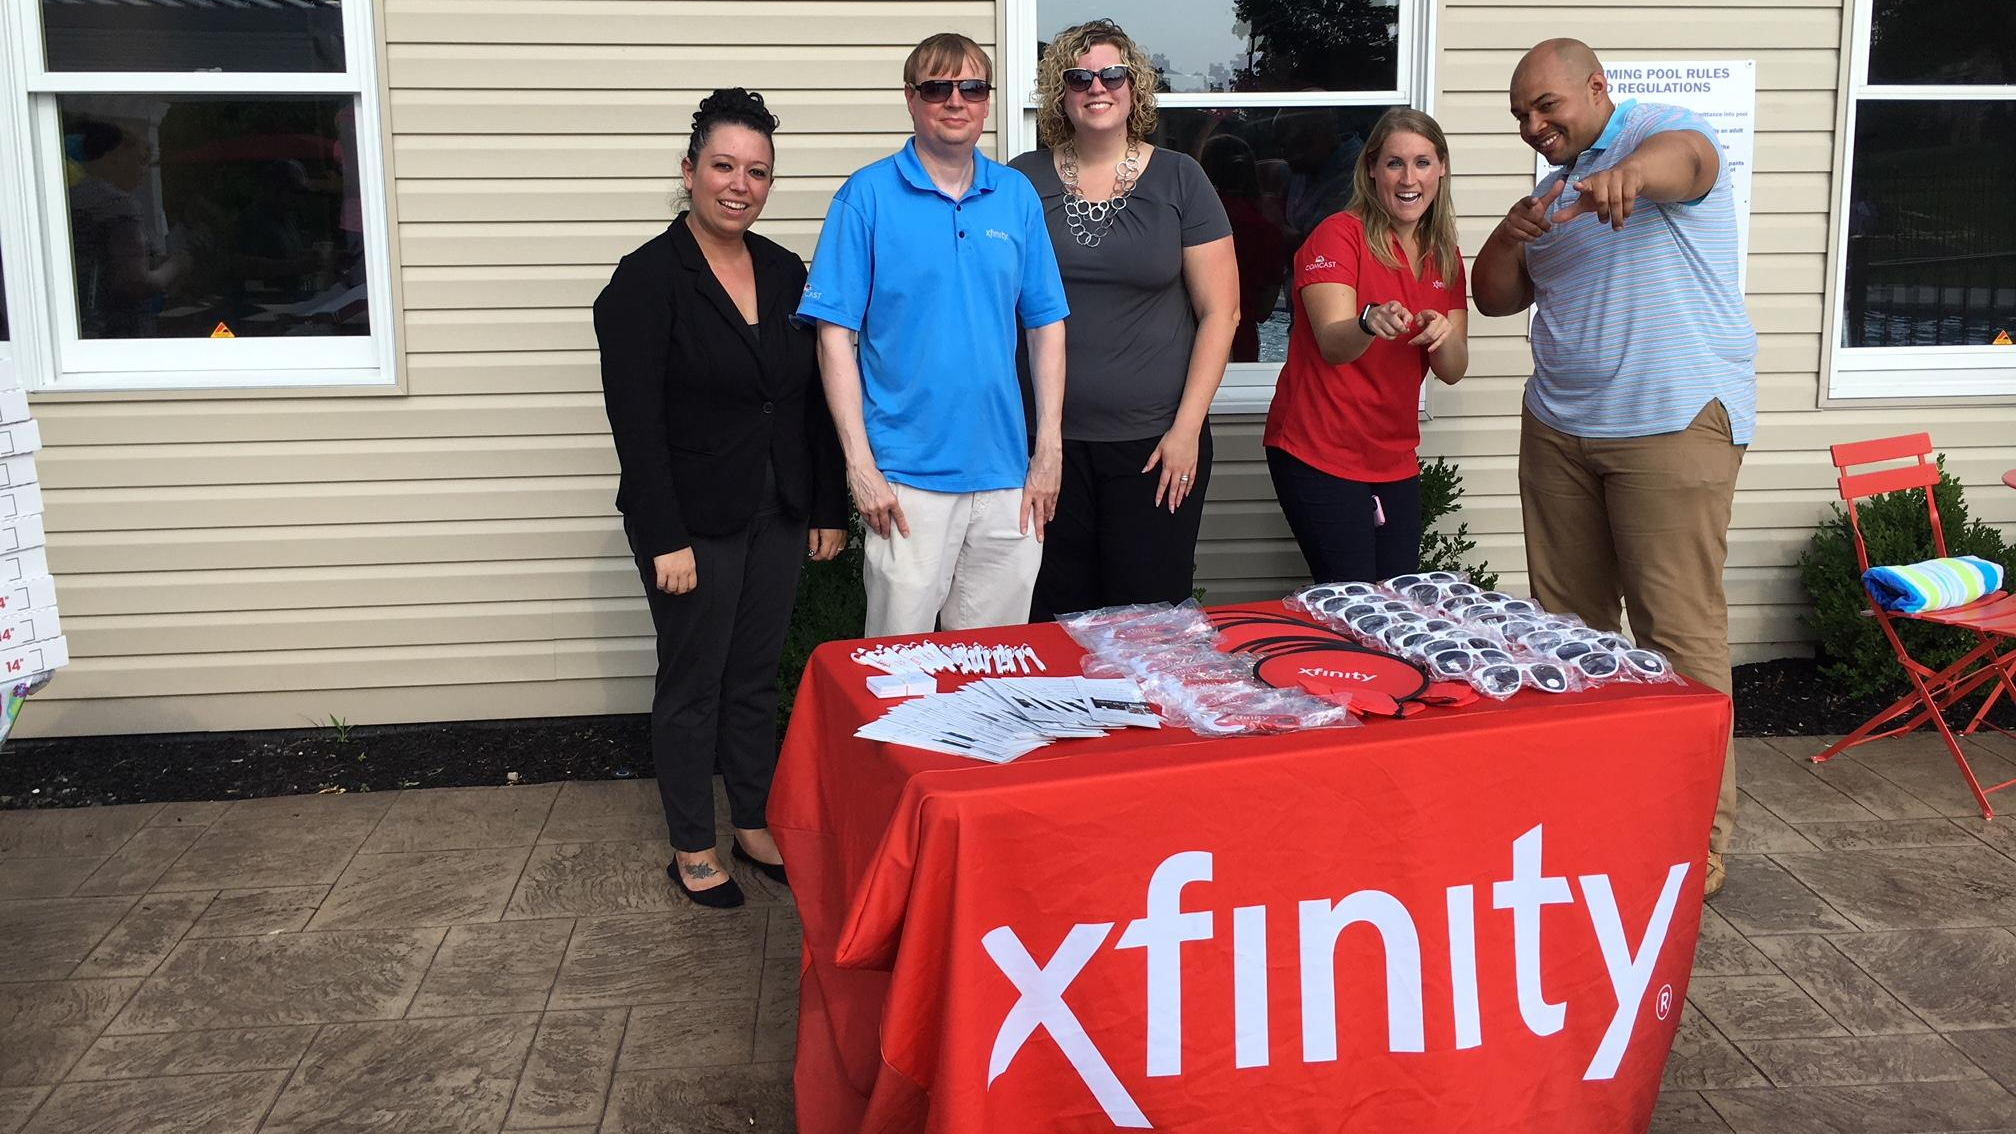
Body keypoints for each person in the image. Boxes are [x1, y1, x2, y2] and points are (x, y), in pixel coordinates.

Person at [1471, 38, 1756, 898]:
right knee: (1571, 633)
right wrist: (1511, 230)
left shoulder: (1662, 132)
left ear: (1598, 89)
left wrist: (1629, 174)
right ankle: (1593, 815)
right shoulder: (1549, 195)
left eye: (1546, 106)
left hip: (1668, 423)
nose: (1533, 125)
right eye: (1521, 115)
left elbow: (1687, 162)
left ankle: (1694, 838)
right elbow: (1489, 295)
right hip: (1560, 429)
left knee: (1676, 632)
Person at [594, 89, 847, 909]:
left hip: (776, 510)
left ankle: (750, 818)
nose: (740, 185)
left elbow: (806, 401)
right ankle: (692, 844)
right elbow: (636, 425)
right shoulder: (644, 282)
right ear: (690, 171)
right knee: (693, 681)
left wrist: (826, 508)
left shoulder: (783, 271)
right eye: (724, 166)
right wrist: (664, 535)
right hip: (690, 521)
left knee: (752, 676)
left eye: (758, 172)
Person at [798, 33, 1070, 637]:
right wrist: (860, 465)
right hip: (906, 478)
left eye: (972, 87)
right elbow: (833, 334)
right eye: (937, 88)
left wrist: (1047, 449)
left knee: (996, 668)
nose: (956, 101)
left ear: (988, 100)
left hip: (1006, 476)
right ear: (910, 98)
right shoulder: (866, 196)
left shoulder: (1016, 196)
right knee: (902, 668)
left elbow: (1046, 324)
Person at [1009, 20, 1238, 620]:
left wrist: (1187, 429)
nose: (1097, 87)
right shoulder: (1020, 180)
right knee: (1056, 617)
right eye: (1079, 77)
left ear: (1135, 87)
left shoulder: (1180, 178)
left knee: (1148, 621)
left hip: (1155, 446)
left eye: (1112, 74)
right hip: (1046, 443)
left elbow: (1222, 312)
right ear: (1061, 93)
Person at [1263, 107, 1470, 583]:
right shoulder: (1338, 235)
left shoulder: (1445, 254)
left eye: (1422, 162)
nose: (1408, 177)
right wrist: (1367, 320)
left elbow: (1454, 368)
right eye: (1394, 163)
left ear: (1441, 168)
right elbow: (1334, 343)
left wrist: (1442, 336)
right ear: (1372, 168)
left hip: (1392, 453)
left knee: (1396, 597)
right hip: (1318, 447)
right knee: (1353, 599)